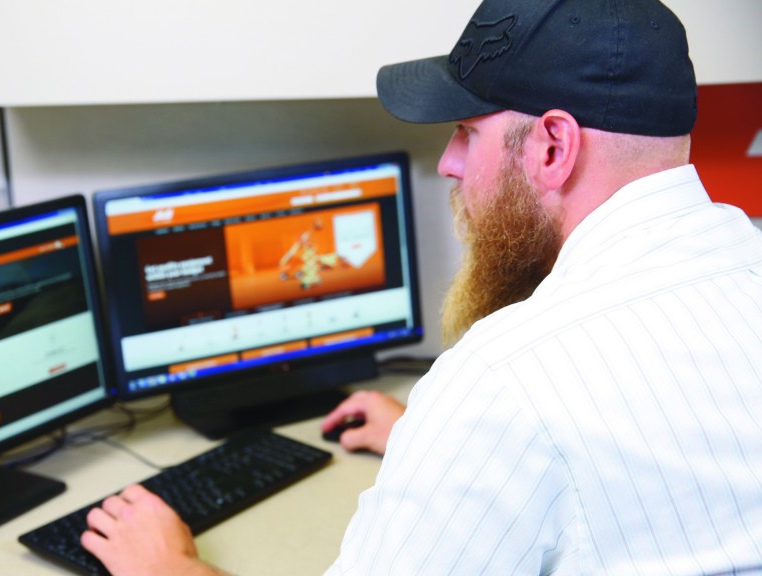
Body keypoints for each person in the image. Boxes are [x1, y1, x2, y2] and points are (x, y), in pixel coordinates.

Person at [82, 0, 762, 573]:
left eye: (468, 132)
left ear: (553, 147)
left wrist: (170, 568)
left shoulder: (502, 382)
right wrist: (458, 461)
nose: (448, 164)